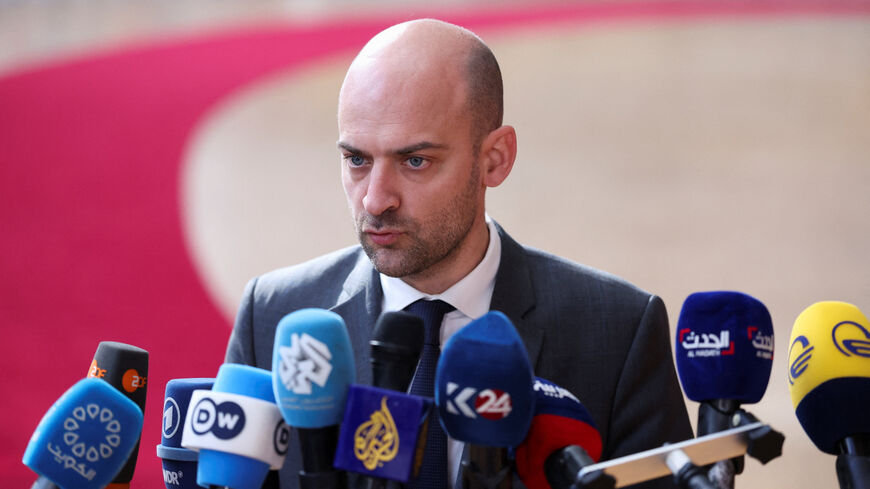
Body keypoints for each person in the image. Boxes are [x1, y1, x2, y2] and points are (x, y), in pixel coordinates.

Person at [225, 18, 692, 489]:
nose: (374, 200)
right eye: (357, 160)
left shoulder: (617, 330)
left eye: (415, 161)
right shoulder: (273, 316)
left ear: (495, 159)